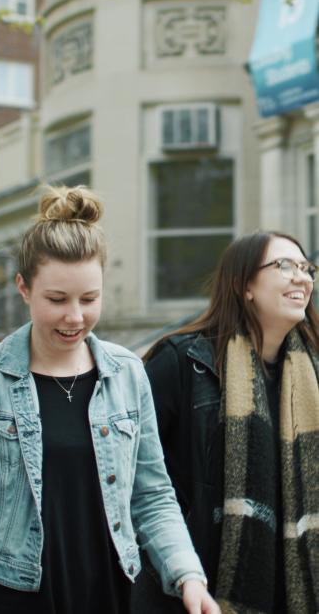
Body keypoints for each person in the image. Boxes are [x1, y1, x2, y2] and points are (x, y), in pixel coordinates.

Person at [0, 185, 219, 614]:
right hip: (10, 597)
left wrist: (188, 576)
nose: (75, 317)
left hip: (109, 592)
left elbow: (153, 496)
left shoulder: (127, 373)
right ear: (23, 288)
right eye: (57, 299)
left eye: (90, 298)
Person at [131, 231, 319, 614]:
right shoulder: (183, 362)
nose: (302, 277)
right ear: (244, 284)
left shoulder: (313, 375)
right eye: (285, 266)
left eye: (306, 267)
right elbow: (129, 474)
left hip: (292, 592)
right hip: (194, 592)